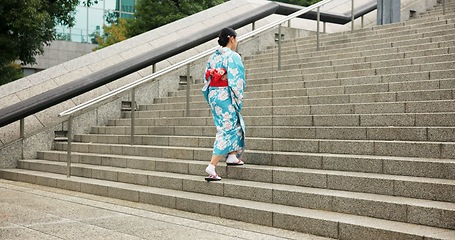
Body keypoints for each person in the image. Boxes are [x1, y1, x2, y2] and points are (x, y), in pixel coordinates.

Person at [202, 27, 246, 181]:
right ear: (231, 38)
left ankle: (232, 156)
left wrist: (215, 74)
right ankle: (212, 166)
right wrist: (238, 95)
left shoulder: (213, 57)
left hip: (214, 95)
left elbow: (206, 75)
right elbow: (237, 79)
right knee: (226, 129)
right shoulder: (233, 56)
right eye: (236, 39)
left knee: (234, 124)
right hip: (224, 94)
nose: (236, 42)